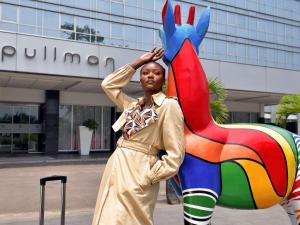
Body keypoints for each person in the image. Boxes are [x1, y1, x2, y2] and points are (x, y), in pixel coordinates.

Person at [92, 47, 185, 225]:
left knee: (134, 220)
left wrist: (150, 176)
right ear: (140, 80)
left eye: (156, 73)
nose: (150, 76)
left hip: (140, 170)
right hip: (116, 166)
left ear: (163, 80)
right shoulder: (132, 105)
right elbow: (108, 85)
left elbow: (175, 153)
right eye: (145, 73)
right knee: (107, 216)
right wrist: (138, 62)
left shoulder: (168, 106)